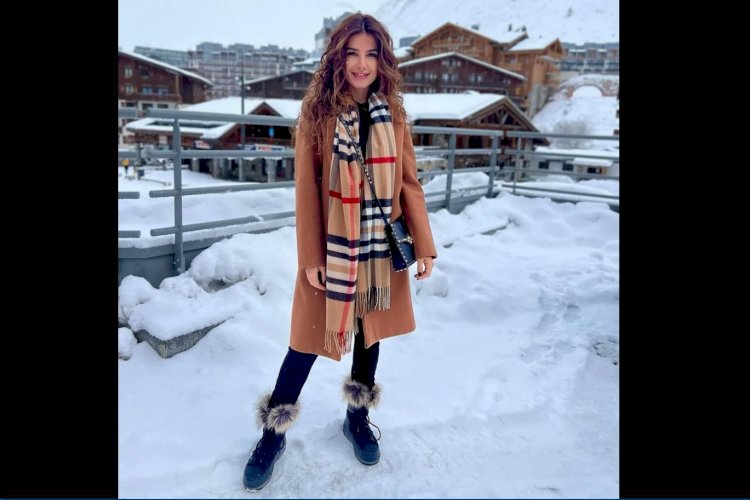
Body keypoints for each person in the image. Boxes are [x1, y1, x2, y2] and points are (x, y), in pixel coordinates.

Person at [242, 12, 437, 491]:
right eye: (352, 53)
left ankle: (357, 417)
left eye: (371, 54)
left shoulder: (393, 114)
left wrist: (424, 245)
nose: (361, 64)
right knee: (307, 340)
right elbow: (306, 190)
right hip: (332, 248)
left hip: (378, 250)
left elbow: (409, 182)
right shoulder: (318, 114)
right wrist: (311, 258)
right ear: (337, 57)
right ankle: (272, 433)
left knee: (370, 335)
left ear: (383, 60)